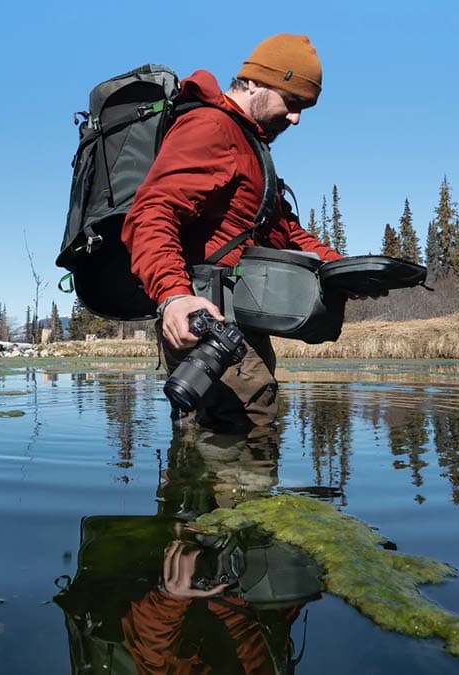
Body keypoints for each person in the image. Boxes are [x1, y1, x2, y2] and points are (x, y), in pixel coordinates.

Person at [122, 34, 344, 432]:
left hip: (237, 324)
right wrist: (174, 296)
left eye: (304, 108)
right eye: (292, 102)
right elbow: (151, 213)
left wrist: (345, 270)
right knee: (243, 447)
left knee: (221, 447)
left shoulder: (248, 143)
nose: (296, 118)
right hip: (209, 322)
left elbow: (282, 231)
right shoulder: (211, 127)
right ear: (255, 82)